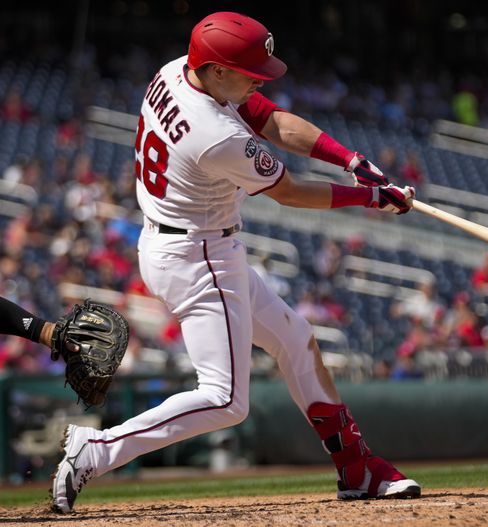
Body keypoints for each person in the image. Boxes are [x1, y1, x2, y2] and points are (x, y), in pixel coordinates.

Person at [50, 11, 420, 514]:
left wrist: (351, 161)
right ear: (219, 70)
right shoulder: (216, 133)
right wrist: (369, 199)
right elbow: (288, 192)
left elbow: (270, 117)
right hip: (197, 255)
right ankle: (95, 450)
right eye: (250, 71)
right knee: (225, 400)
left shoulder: (179, 68)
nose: (259, 79)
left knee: (295, 340)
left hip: (188, 242)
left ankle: (357, 467)